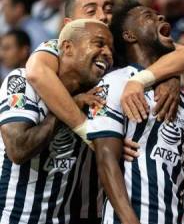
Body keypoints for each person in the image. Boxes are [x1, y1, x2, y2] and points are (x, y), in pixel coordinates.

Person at [26, 0, 184, 147]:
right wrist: (91, 134)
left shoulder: (118, 50)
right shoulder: (59, 47)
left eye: (108, 9)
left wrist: (161, 78)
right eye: (91, 11)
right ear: (68, 24)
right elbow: (37, 72)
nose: (102, 16)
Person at [86, 2, 184, 224]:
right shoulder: (113, 83)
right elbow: (106, 160)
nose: (160, 18)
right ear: (129, 35)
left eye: (159, 15)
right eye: (149, 16)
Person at [0, 19, 113, 224]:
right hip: (17, 218)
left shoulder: (99, 96)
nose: (108, 53)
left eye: (111, 48)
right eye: (98, 43)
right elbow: (18, 149)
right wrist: (68, 109)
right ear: (68, 48)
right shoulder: (21, 82)